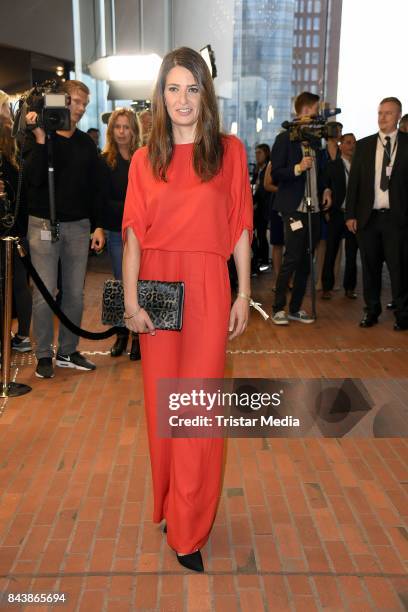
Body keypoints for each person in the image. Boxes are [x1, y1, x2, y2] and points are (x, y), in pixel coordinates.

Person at [122, 47, 252, 572]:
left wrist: (243, 292)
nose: (182, 99)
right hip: (154, 283)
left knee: (195, 409)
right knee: (162, 410)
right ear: (160, 96)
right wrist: (130, 300)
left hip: (205, 286)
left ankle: (189, 530)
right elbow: (132, 234)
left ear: (205, 94)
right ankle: (171, 502)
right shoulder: (142, 160)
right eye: (173, 88)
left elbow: (240, 223)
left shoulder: (228, 151)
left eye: (191, 89)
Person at [24, 79, 105, 378]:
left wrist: (97, 226)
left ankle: (68, 351)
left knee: (74, 294)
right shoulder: (41, 137)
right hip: (43, 224)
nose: (80, 108)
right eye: (74, 101)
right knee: (44, 292)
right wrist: (41, 138)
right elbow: (32, 180)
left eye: (84, 103)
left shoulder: (86, 143)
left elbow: (95, 189)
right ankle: (43, 354)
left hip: (78, 226)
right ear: (60, 102)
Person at [346, 97, 408, 330]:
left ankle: (403, 314)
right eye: (380, 113)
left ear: (398, 116)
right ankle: (371, 311)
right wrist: (350, 214)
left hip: (397, 219)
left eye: (388, 113)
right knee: (370, 268)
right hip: (368, 218)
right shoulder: (363, 145)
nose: (382, 117)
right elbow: (355, 184)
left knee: (399, 269)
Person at [270, 91, 331, 325]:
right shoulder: (285, 138)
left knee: (307, 259)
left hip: (313, 208)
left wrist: (325, 189)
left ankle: (295, 308)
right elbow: (276, 173)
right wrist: (297, 168)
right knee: (292, 257)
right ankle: (278, 308)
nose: (318, 115)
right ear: (305, 111)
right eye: (316, 110)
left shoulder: (316, 141)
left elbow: (322, 173)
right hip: (293, 208)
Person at [99, 108, 141, 359]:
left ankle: (139, 337)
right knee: (121, 283)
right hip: (117, 230)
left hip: (143, 231)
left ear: (134, 130)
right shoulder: (105, 160)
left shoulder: (143, 158)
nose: (122, 132)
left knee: (140, 282)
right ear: (111, 130)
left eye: (126, 127)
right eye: (118, 127)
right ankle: (121, 335)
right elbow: (102, 200)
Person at [0, 122, 32, 352]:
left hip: (10, 231)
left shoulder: (12, 162)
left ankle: (15, 336)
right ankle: (22, 335)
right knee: (20, 285)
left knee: (15, 285)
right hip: (20, 230)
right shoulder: (20, 159)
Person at [321, 133, 359, 299]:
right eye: (348, 142)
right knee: (331, 252)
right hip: (336, 214)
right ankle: (326, 288)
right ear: (340, 145)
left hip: (354, 216)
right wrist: (327, 213)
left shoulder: (360, 165)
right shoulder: (332, 166)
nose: (352, 146)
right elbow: (324, 188)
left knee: (352, 254)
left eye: (354, 143)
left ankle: (349, 288)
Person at [263, 160, 283, 289]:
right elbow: (267, 185)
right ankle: (278, 279)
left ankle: (289, 278)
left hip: (293, 206)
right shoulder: (273, 163)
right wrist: (283, 190)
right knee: (278, 243)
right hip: (277, 206)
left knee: (293, 245)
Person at [252, 143, 271, 272]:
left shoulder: (268, 169)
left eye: (259, 153)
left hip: (265, 206)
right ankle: (258, 259)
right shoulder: (257, 169)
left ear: (266, 154)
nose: (257, 156)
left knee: (262, 234)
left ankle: (264, 261)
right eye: (256, 153)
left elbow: (264, 189)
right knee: (258, 234)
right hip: (257, 207)